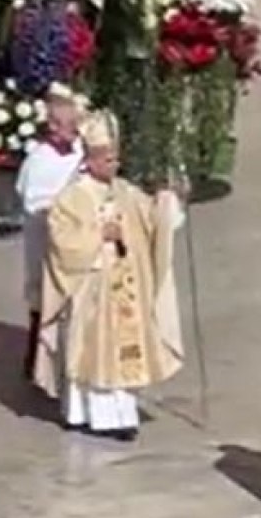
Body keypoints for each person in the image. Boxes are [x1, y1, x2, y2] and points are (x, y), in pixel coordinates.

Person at [33, 109, 186, 441]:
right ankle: (84, 413)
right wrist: (99, 235)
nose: (114, 166)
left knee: (121, 352)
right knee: (92, 352)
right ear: (91, 159)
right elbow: (61, 241)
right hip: (92, 289)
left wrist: (167, 201)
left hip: (124, 290)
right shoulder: (73, 196)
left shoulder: (125, 191)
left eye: (117, 159)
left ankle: (120, 415)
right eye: (108, 160)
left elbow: (151, 220)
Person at [16, 92, 85, 378]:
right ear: (53, 126)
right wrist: (63, 205)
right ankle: (37, 364)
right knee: (44, 300)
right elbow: (32, 200)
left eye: (78, 123)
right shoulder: (39, 160)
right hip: (47, 240)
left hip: (79, 240)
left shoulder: (80, 150)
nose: (77, 130)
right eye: (71, 124)